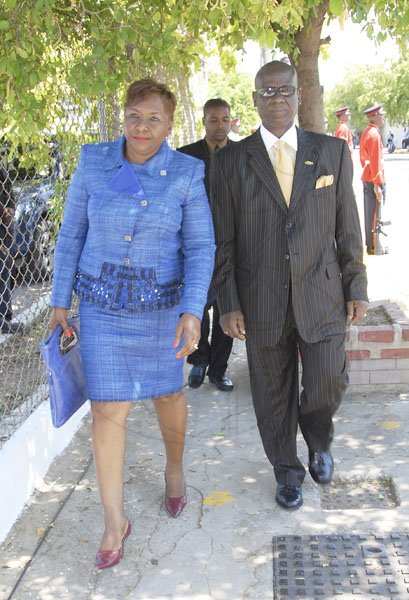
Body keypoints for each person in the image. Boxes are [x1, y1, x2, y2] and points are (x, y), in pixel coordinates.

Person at [49, 78, 215, 569]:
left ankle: (174, 468)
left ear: (169, 123)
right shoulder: (92, 161)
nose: (142, 128)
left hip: (163, 309)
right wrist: (60, 300)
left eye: (154, 119)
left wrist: (191, 309)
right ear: (122, 117)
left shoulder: (187, 172)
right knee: (108, 408)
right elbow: (71, 233)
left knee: (169, 396)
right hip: (101, 308)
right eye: (134, 116)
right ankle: (114, 520)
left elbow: (200, 246)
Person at [210, 61, 368, 510]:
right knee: (271, 393)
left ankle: (318, 439)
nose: (277, 97)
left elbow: (348, 228)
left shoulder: (332, 153)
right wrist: (228, 302)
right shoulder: (231, 163)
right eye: (268, 91)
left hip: (321, 295)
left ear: (298, 96)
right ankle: (287, 470)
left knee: (327, 381)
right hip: (260, 301)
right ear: (256, 99)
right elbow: (224, 240)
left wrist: (355, 284)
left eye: (285, 90)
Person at [178, 99, 235, 392]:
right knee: (197, 307)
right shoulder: (186, 157)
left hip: (231, 248)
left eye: (225, 119)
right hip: (196, 248)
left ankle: (219, 369)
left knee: (228, 308)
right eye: (214, 120)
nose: (220, 126)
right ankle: (199, 361)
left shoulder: (242, 155)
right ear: (204, 121)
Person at [359, 104, 386, 255]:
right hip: (372, 178)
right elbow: (375, 161)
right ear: (374, 116)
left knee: (369, 213)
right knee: (374, 214)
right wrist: (378, 184)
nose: (382, 117)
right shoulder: (374, 134)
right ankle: (374, 246)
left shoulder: (367, 132)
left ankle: (370, 244)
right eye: (381, 115)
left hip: (367, 176)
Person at [0, 167, 23, 335]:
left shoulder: (2, 171)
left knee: (5, 270)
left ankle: (5, 318)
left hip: (4, 231)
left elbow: (10, 196)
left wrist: (9, 210)